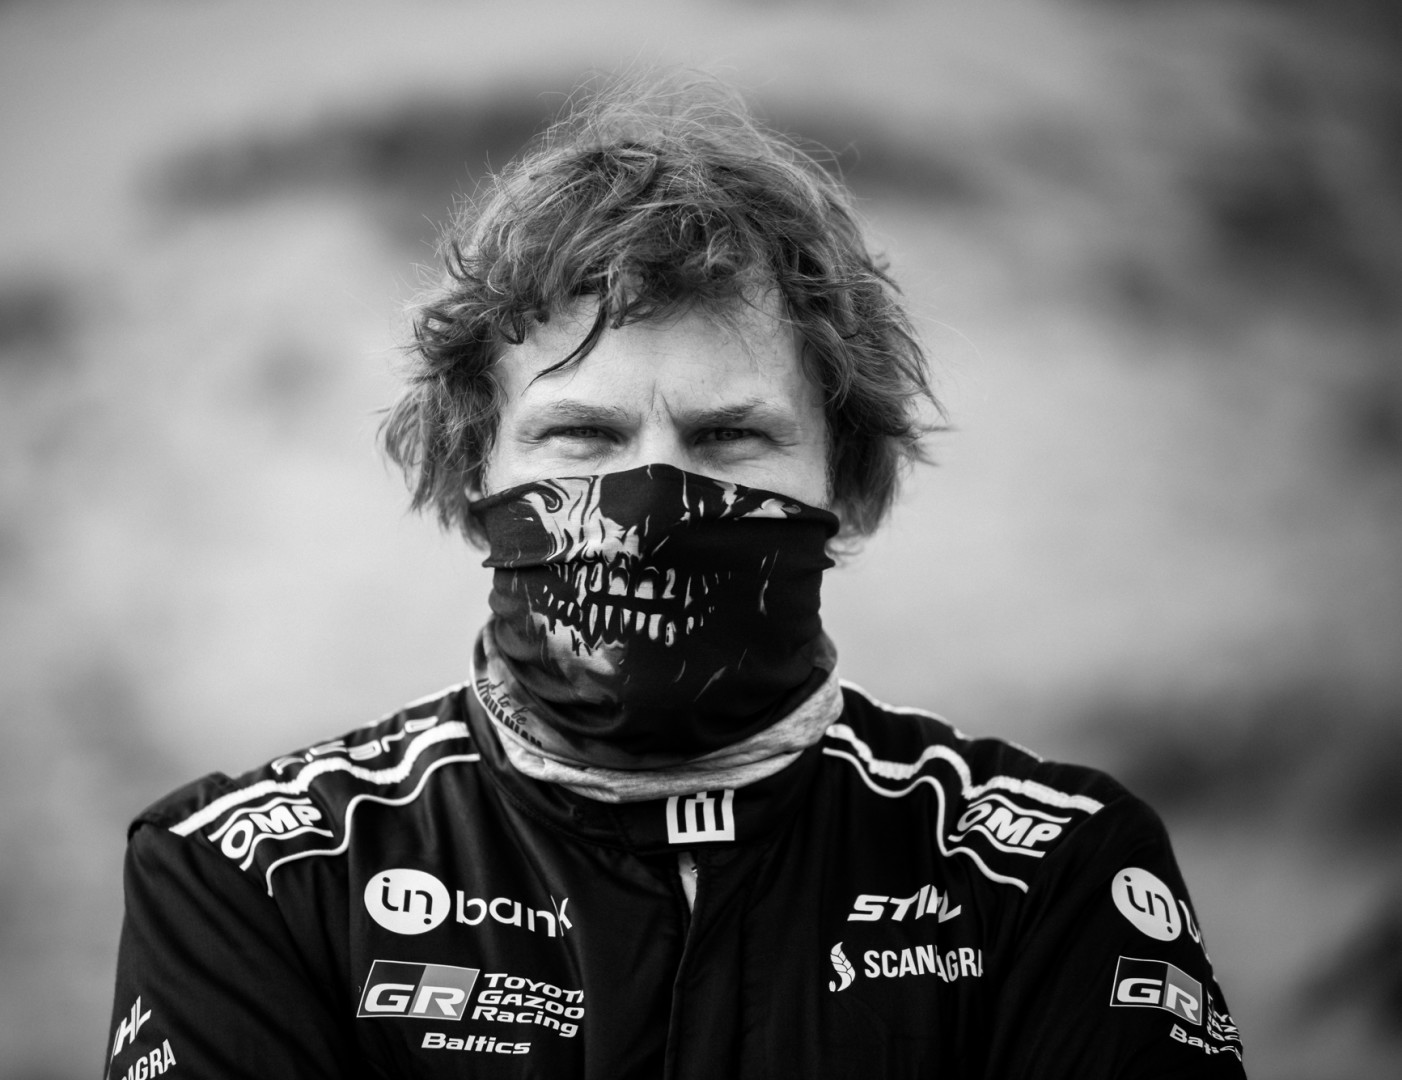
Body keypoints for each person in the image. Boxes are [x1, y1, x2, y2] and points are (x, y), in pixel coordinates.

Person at [102, 78, 1246, 1079]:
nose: (652, 502)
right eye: (582, 437)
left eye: (729, 438)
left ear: (843, 481)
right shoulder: (255, 874)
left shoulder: (1046, 871)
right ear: (471, 474)